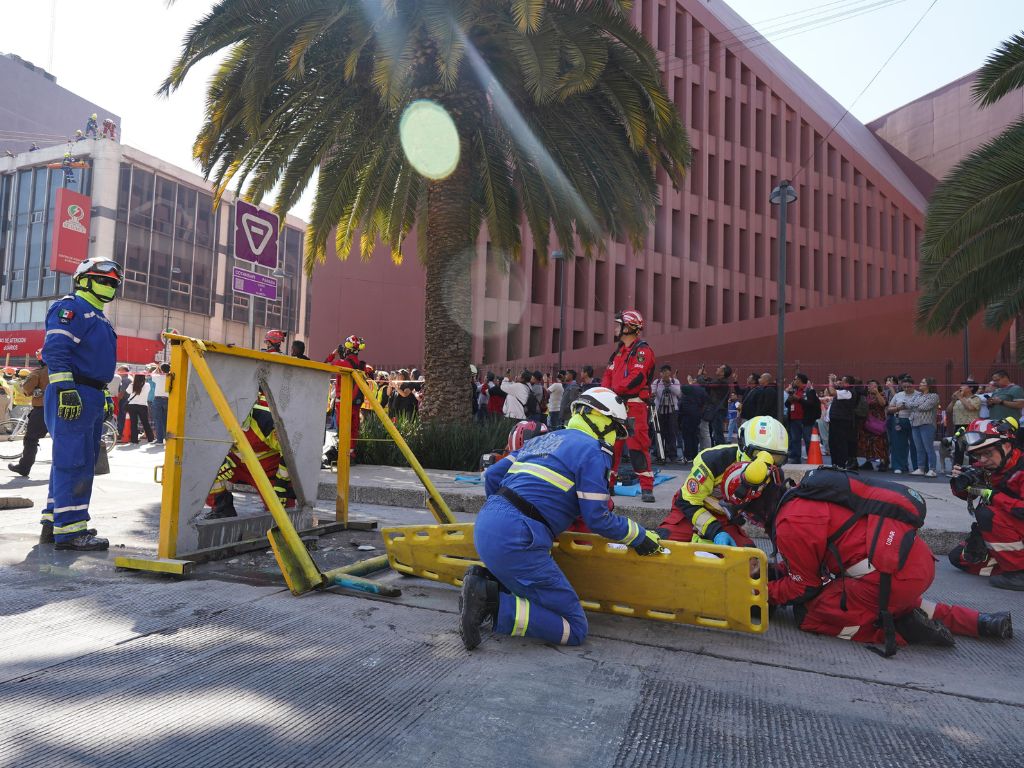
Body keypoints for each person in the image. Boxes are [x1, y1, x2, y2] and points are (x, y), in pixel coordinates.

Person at [459, 387, 662, 650]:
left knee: (536, 592)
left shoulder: (545, 439)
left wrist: (500, 516)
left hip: (487, 524)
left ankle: (484, 583)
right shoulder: (592, 450)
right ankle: (491, 603)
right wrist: (639, 536)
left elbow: (493, 475)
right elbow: (598, 518)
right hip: (519, 538)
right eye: (615, 430)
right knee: (574, 628)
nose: (615, 440)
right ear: (600, 420)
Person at [729, 465, 1012, 650]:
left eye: (746, 515)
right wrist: (776, 571)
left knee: (810, 613)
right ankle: (982, 622)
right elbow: (810, 560)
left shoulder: (790, 523)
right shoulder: (804, 497)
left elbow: (804, 586)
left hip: (888, 576)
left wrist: (761, 593)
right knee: (906, 602)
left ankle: (898, 630)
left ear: (754, 506)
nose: (750, 521)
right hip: (910, 561)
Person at [40, 257, 121, 551]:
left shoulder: (98, 317)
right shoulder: (72, 308)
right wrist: (66, 389)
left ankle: (54, 523)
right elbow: (55, 350)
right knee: (74, 462)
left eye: (112, 283)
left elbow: (96, 363)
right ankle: (72, 531)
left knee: (77, 460)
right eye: (102, 280)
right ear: (82, 280)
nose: (108, 286)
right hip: (74, 392)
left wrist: (105, 395)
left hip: (91, 394)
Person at [656, 416, 788, 545]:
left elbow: (770, 515)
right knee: (662, 543)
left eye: (775, 457)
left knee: (750, 556)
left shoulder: (774, 476)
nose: (765, 463)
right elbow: (687, 501)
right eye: (757, 453)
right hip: (691, 511)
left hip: (724, 518)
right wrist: (715, 532)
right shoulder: (713, 461)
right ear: (742, 444)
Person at [204, 330, 294, 518]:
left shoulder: (264, 419)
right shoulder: (214, 414)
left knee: (283, 513)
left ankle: (280, 505)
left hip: (267, 468)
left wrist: (282, 485)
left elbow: (291, 451)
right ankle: (222, 508)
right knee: (203, 470)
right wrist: (218, 459)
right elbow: (203, 444)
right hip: (237, 463)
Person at [948, 418, 1024, 590]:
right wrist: (961, 480)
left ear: (1007, 446)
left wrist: (993, 495)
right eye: (977, 455)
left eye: (988, 453)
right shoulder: (990, 466)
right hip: (1014, 528)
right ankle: (1010, 565)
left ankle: (1018, 573)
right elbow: (964, 494)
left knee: (987, 514)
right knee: (960, 558)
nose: (982, 459)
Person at [601, 309, 657, 502]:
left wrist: (613, 391)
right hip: (614, 405)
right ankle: (608, 485)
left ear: (630, 327)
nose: (615, 328)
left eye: (619, 324)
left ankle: (647, 488)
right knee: (610, 447)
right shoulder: (618, 352)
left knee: (637, 447)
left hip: (634, 406)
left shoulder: (642, 351)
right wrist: (605, 393)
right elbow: (608, 375)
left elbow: (637, 377)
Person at [8, 350, 48, 477]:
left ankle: (24, 467)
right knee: (62, 439)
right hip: (62, 409)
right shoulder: (64, 370)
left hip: (42, 410)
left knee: (31, 439)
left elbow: (26, 389)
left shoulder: (38, 373)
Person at [326, 334, 365, 459]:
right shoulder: (361, 365)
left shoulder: (343, 363)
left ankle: (343, 455)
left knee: (343, 429)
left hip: (343, 402)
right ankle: (351, 453)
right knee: (353, 428)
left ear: (347, 348)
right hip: (356, 402)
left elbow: (326, 365)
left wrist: (334, 354)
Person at [946, 379, 981, 469]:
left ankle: (973, 469)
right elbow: (948, 410)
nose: (961, 387)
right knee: (958, 449)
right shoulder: (958, 399)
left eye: (964, 386)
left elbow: (970, 407)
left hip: (970, 426)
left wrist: (961, 397)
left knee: (971, 449)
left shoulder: (975, 398)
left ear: (971, 388)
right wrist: (954, 400)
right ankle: (956, 469)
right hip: (958, 425)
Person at [785, 373, 820, 463]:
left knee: (808, 439)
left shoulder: (809, 391)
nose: (793, 381)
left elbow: (811, 404)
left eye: (795, 379)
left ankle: (811, 457)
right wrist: (789, 400)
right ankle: (795, 458)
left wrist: (799, 399)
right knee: (795, 439)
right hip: (794, 419)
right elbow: (786, 404)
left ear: (800, 380)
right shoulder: (794, 390)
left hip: (805, 420)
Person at [886, 375, 917, 474]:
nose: (906, 389)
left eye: (909, 387)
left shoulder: (919, 395)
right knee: (898, 444)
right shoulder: (898, 395)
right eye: (904, 387)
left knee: (916, 445)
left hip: (915, 421)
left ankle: (918, 467)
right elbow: (889, 409)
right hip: (899, 420)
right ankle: (899, 466)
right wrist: (898, 408)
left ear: (913, 385)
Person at [909, 377, 940, 477]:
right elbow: (909, 405)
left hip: (927, 424)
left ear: (929, 385)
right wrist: (915, 405)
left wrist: (915, 405)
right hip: (915, 424)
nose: (920, 384)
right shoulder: (918, 395)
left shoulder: (934, 396)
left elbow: (924, 407)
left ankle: (932, 469)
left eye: (923, 382)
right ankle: (921, 468)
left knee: (929, 448)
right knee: (919, 448)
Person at [857, 379, 889, 471]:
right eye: (869, 385)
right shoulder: (865, 396)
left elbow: (883, 404)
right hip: (867, 421)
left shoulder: (882, 394)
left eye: (873, 385)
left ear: (878, 386)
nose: (871, 386)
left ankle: (883, 462)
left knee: (879, 441)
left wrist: (877, 393)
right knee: (867, 442)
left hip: (878, 421)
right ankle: (868, 462)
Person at [651, 365, 681, 462]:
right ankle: (659, 454)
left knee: (672, 432)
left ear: (670, 372)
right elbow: (652, 393)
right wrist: (653, 392)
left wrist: (669, 384)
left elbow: (678, 393)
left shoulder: (675, 381)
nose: (664, 373)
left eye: (666, 371)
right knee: (659, 432)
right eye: (662, 372)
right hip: (659, 410)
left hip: (672, 411)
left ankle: (672, 455)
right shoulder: (657, 382)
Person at [125, 373, 155, 444]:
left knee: (133, 423)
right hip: (143, 405)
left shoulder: (132, 385)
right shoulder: (147, 385)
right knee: (145, 422)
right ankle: (150, 438)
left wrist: (133, 383)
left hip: (132, 405)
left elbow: (127, 391)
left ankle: (134, 440)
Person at [151, 363, 170, 444]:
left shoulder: (158, 377)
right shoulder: (171, 377)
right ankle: (166, 439)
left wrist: (157, 367)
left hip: (158, 399)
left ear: (161, 370)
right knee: (166, 420)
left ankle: (159, 439)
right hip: (168, 399)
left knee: (158, 419)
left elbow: (152, 374)